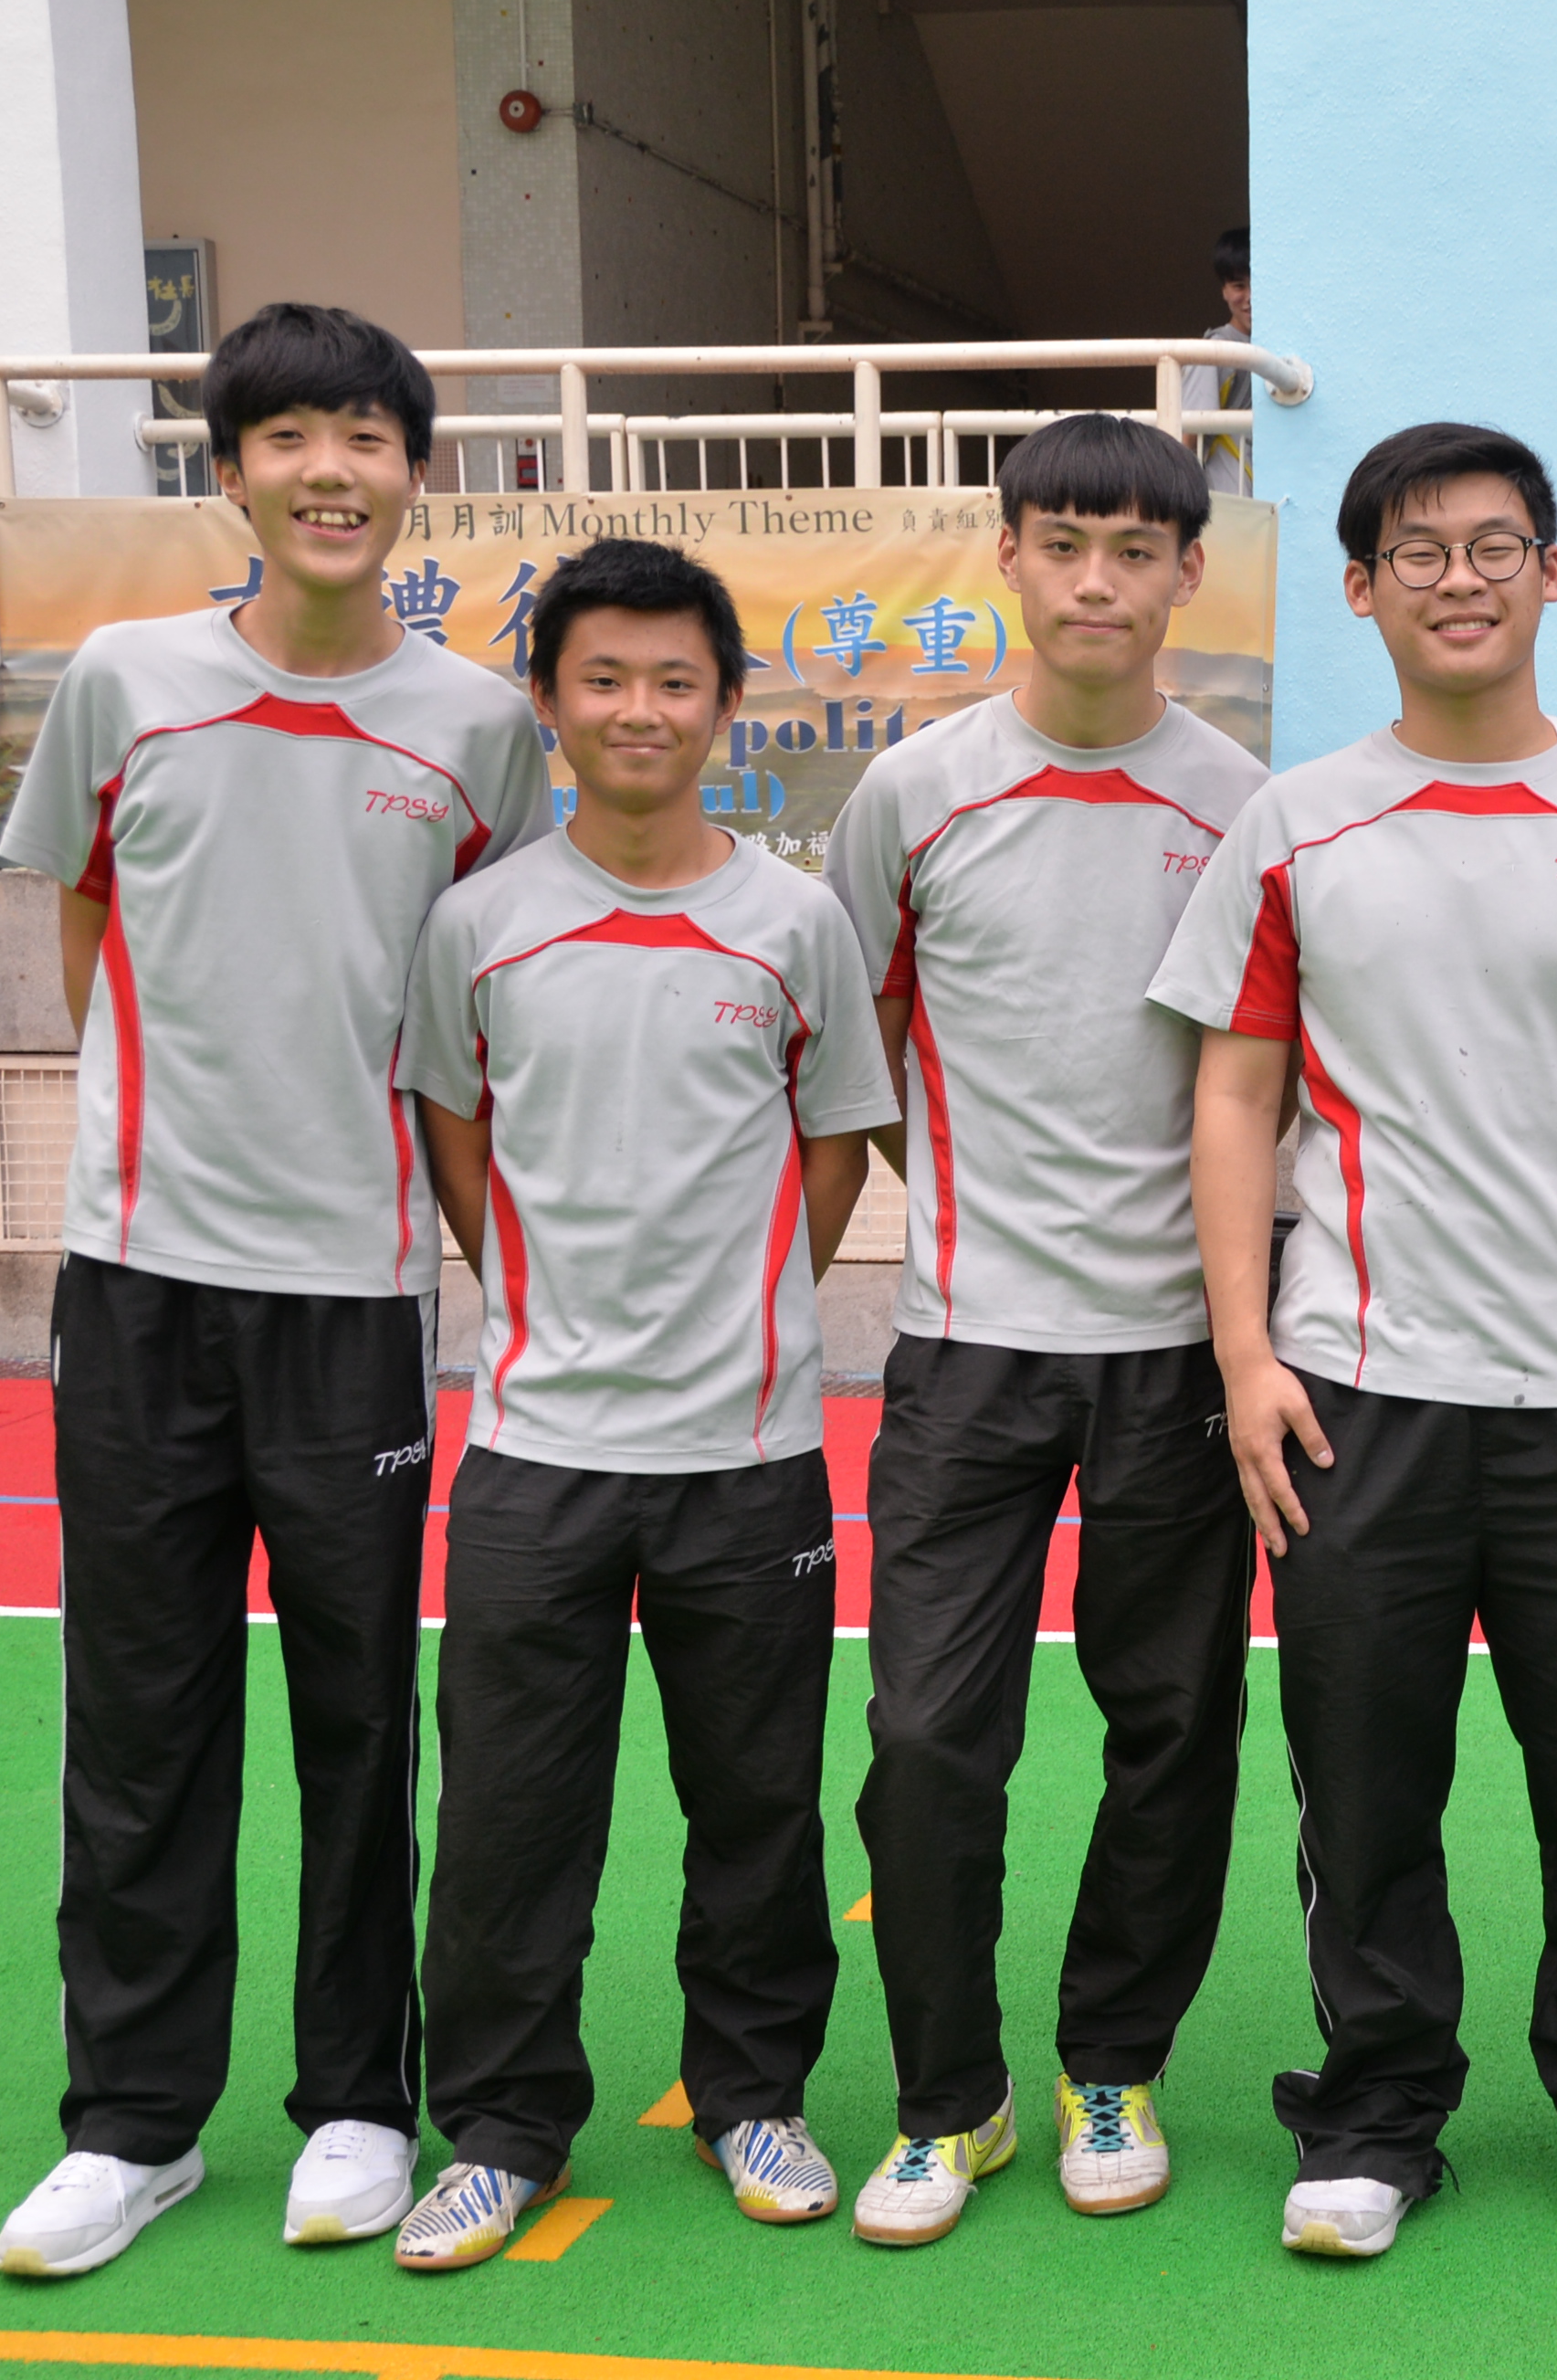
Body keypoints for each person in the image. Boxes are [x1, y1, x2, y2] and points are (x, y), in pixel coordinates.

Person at [1148, 421, 1557, 2263]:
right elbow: (1235, 1092)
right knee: (1364, 1785)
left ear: (1554, 575)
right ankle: (1374, 2111)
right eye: (1417, 550)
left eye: (1496, 545)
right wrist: (1247, 1354)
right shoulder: (1297, 824)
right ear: (1361, 588)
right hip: (1358, 1389)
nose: (1458, 579)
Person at [0, 302, 553, 2280]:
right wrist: (160, 1135)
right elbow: (84, 916)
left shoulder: (477, 727)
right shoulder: (125, 680)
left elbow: (501, 988)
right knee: (140, 1713)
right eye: (290, 435)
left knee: (358, 1720)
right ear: (229, 471)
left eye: (367, 437)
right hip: (140, 1281)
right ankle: (132, 2123)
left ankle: (356, 2104)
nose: (331, 470)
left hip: (357, 1296)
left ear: (415, 475)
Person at [388, 539, 899, 2269]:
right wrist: (556, 1310)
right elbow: (458, 1144)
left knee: (755, 1803)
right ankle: (504, 2126)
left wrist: (740, 1316)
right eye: (602, 677)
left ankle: (755, 2093)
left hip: (747, 1456)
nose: (640, 709)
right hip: (535, 1450)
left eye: (676, 680)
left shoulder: (794, 921)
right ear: (547, 700)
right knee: (509, 1814)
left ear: (726, 704)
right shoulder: (478, 925)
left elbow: (833, 1147)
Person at [824, 414, 1268, 2243]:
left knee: (1172, 1724)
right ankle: (950, 2099)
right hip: (968, 1342)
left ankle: (1113, 2063)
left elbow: (1272, 1072)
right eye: (1063, 541)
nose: (1098, 579)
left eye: (1135, 549)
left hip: (1182, 1351)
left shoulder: (1244, 805)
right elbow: (852, 1053)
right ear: (1003, 553)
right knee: (930, 1737)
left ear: (1186, 572)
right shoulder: (911, 794)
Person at [1182, 226, 1255, 497]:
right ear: (1224, 290)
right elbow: (1187, 438)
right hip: (1228, 497)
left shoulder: (1281, 349)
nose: (1250, 297)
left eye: (1258, 283)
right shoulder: (1213, 349)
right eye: (1239, 286)